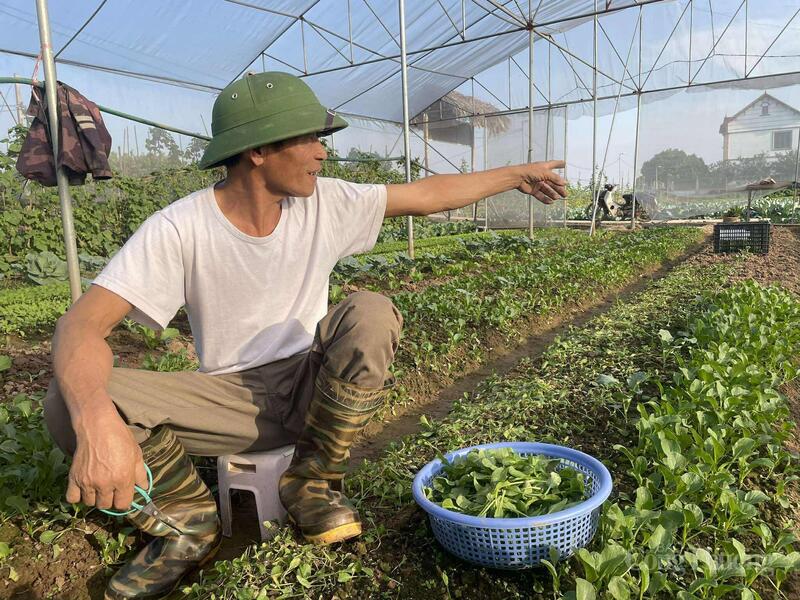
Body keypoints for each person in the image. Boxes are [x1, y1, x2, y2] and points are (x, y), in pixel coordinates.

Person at [42, 72, 566, 599]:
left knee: (371, 310)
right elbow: (80, 325)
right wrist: (94, 419)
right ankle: (185, 520)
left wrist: (517, 175)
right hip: (228, 400)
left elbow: (428, 194)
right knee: (67, 403)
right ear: (260, 150)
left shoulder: (325, 202)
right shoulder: (179, 228)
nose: (322, 153)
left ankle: (311, 479)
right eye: (311, 138)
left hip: (310, 384)